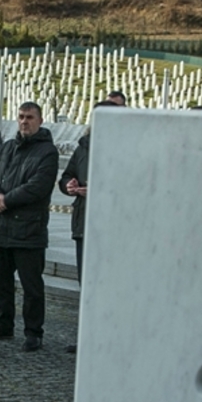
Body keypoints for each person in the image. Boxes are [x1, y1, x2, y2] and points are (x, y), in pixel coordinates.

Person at [0, 101, 58, 352]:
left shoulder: (47, 152)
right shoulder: (6, 148)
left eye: (30, 117)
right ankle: (3, 324)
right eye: (21, 116)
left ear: (40, 120)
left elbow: (38, 186)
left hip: (29, 230)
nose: (24, 121)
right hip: (2, 226)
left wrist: (5, 200)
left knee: (31, 286)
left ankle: (33, 332)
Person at [60, 91, 124, 354]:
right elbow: (66, 176)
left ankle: (111, 338)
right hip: (83, 223)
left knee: (111, 286)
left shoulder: (127, 149)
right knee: (86, 284)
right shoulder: (83, 147)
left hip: (114, 226)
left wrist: (99, 191)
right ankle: (87, 337)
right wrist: (69, 185)